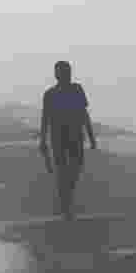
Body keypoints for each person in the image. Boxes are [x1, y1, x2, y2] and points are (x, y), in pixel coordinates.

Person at [40, 60, 97, 220]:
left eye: (67, 72)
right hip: (59, 137)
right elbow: (45, 118)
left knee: (74, 169)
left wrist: (91, 136)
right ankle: (65, 203)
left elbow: (84, 114)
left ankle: (66, 197)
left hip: (75, 136)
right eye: (63, 72)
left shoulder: (77, 90)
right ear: (57, 75)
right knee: (62, 171)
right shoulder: (50, 94)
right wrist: (43, 140)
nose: (66, 75)